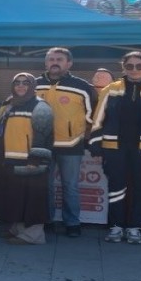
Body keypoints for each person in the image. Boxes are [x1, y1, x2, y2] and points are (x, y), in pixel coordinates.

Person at [89, 50, 141, 245]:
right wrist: (96, 149)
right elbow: (98, 120)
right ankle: (116, 226)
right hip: (114, 148)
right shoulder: (110, 89)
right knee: (116, 187)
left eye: (139, 66)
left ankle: (134, 227)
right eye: (129, 66)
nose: (134, 70)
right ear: (123, 67)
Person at [36, 47, 96, 238]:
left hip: (71, 145)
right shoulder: (33, 85)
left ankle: (72, 223)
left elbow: (94, 115)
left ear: (69, 63)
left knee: (70, 185)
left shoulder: (82, 86)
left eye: (59, 59)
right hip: (41, 145)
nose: (55, 62)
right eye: (51, 59)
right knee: (45, 185)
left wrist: (85, 136)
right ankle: (47, 220)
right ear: (45, 63)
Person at [0, 72, 55, 244]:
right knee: (16, 197)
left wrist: (36, 161)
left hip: (29, 162)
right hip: (9, 159)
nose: (20, 85)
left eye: (25, 83)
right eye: (17, 82)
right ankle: (17, 229)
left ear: (32, 86)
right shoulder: (8, 104)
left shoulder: (40, 106)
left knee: (32, 199)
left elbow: (44, 136)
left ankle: (33, 236)